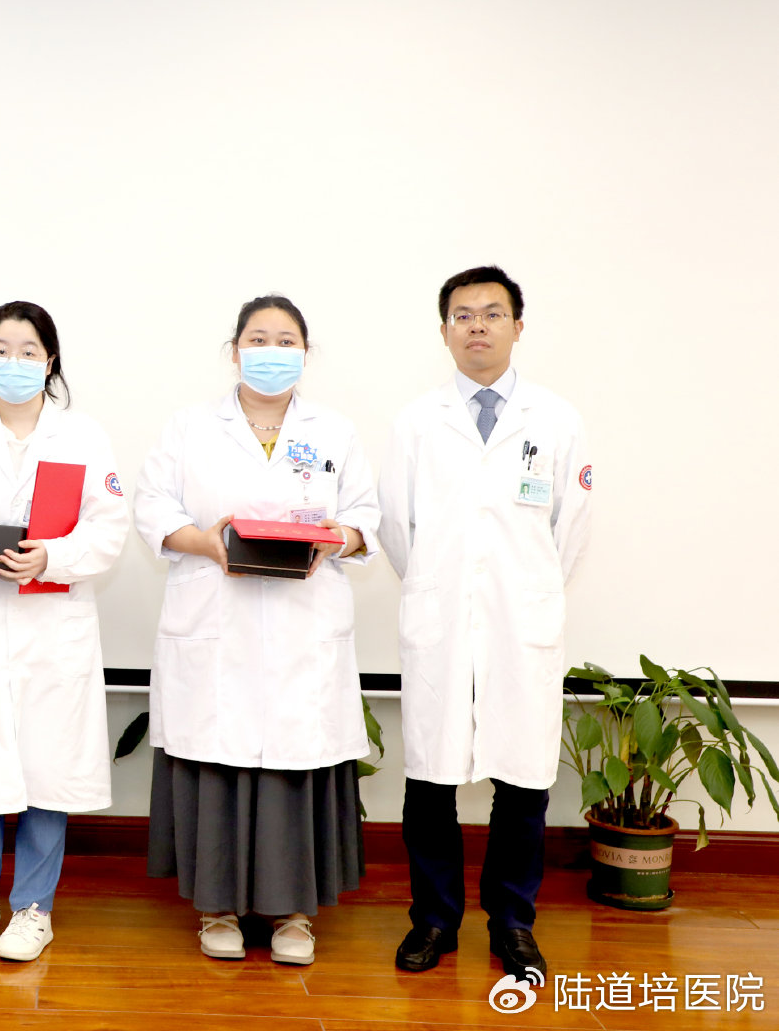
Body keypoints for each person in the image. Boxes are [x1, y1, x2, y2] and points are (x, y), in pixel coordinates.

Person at [134, 295, 377, 964]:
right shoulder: (189, 427)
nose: (272, 351)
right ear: (235, 350)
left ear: (306, 352)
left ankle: (294, 916)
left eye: (286, 340)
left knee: (298, 761)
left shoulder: (335, 432)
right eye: (258, 339)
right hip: (216, 616)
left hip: (304, 625)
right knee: (218, 757)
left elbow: (366, 516)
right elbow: (152, 504)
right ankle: (216, 910)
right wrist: (204, 543)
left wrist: (339, 537)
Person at [377, 266, 593, 981]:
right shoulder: (416, 422)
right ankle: (434, 919)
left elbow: (570, 529)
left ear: (517, 327)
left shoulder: (556, 420)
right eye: (463, 315)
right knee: (430, 779)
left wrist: (523, 591)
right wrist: (441, 589)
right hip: (440, 621)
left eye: (492, 313)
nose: (477, 326)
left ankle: (513, 922)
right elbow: (398, 529)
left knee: (522, 780)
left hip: (519, 621)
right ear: (444, 331)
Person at [0, 301, 128, 962]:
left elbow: (110, 527)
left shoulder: (83, 438)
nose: (14, 362)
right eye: (1, 350)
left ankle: (35, 908)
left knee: (48, 770)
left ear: (50, 361)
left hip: (51, 628)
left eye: (28, 351)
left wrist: (52, 557)